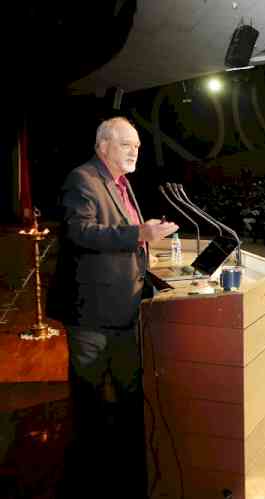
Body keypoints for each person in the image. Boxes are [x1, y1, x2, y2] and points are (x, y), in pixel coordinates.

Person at [48, 117, 179, 498]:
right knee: (90, 395)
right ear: (103, 144)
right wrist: (140, 233)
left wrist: (146, 237)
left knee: (126, 391)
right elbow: (80, 232)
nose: (134, 151)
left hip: (124, 307)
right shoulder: (83, 180)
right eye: (126, 145)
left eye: (137, 146)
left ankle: (121, 464)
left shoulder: (121, 184)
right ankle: (87, 475)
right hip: (92, 312)